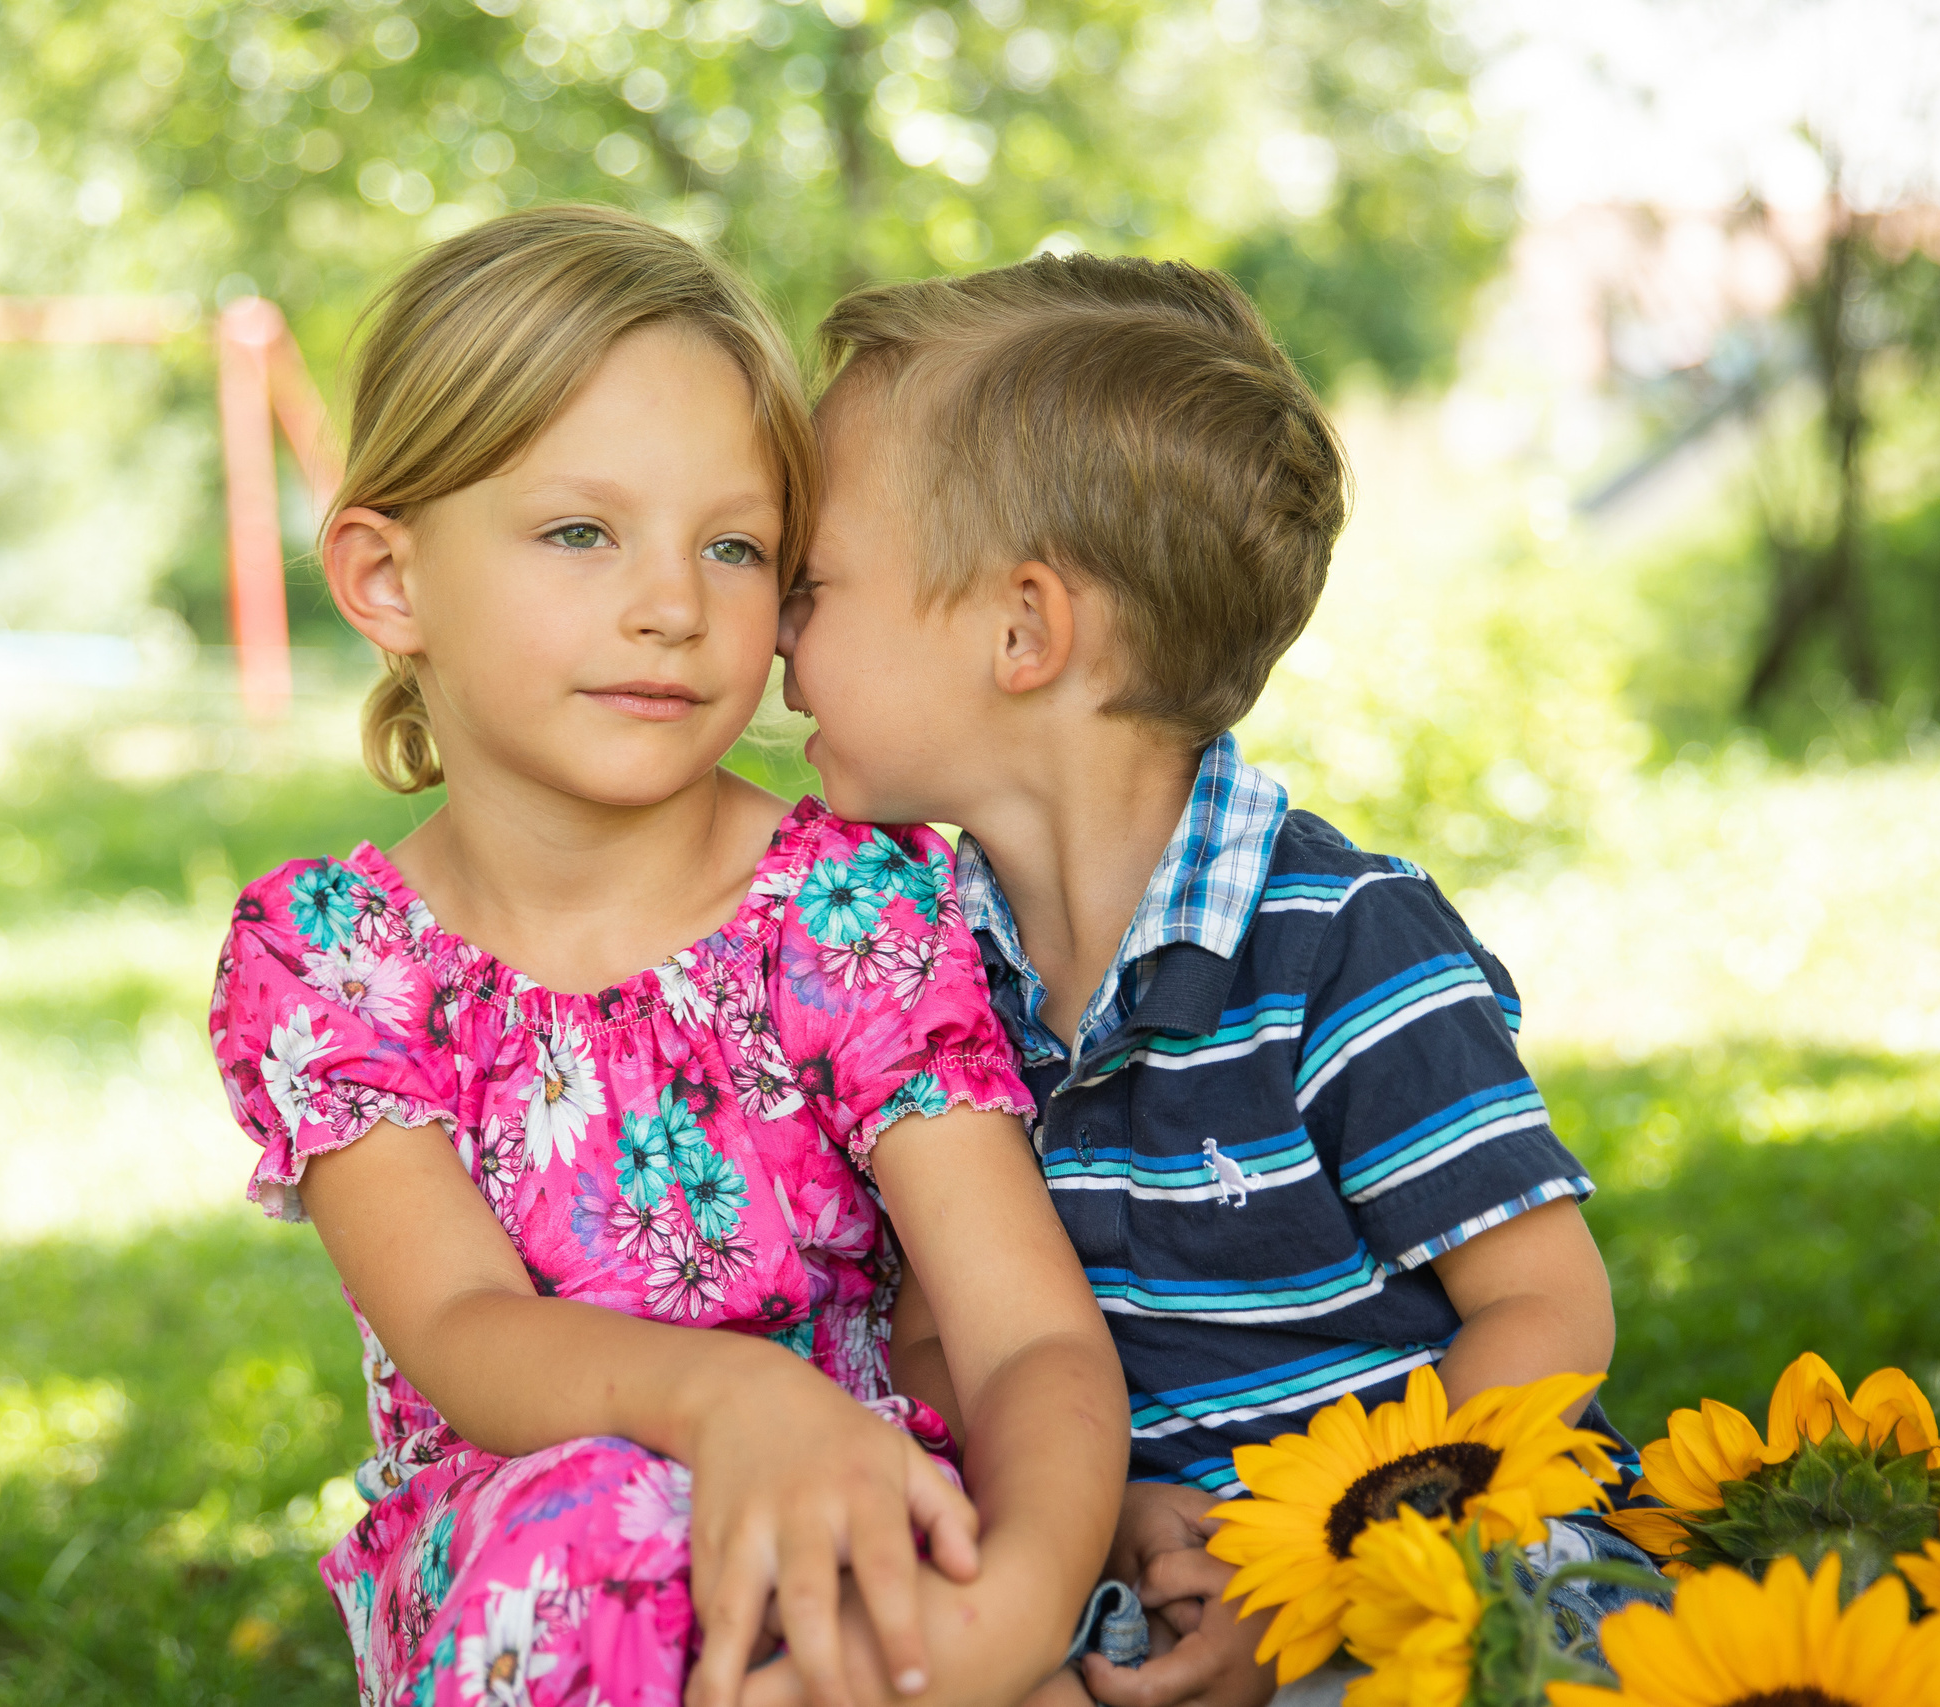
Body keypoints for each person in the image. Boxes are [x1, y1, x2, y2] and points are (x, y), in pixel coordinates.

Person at [206, 206, 1125, 1707]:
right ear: (388, 578)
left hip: (860, 1533)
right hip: (538, 1570)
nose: (673, 607)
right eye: (581, 532)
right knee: (600, 1527)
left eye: (736, 547)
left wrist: (1020, 1611)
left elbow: (1024, 1335)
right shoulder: (336, 960)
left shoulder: (847, 912)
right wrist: (729, 1400)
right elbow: (460, 1329)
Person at [776, 254, 1641, 1707]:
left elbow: (1547, 1313)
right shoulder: (921, 969)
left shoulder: (1342, 945)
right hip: (1144, 1586)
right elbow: (935, 1344)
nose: (775, 634)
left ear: (1022, 631)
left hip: (1460, 1567)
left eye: (812, 583)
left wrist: (1324, 1572)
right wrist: (1102, 1509)